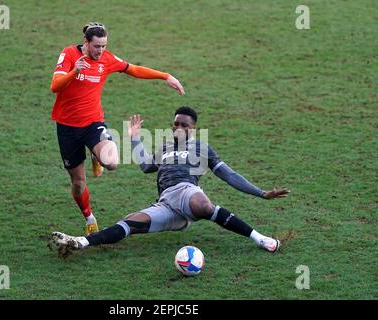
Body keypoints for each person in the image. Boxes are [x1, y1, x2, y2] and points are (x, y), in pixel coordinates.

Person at [50, 107, 291, 257]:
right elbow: (146, 166)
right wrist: (134, 139)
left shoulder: (200, 148)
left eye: (184, 125)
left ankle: (260, 239)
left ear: (193, 129)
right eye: (175, 123)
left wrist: (261, 193)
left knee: (203, 206)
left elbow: (228, 175)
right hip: (167, 204)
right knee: (130, 222)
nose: (178, 127)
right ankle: (80, 242)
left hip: (187, 192)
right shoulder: (165, 147)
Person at [50, 22, 185, 236]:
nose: (101, 51)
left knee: (111, 162)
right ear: (86, 43)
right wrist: (74, 71)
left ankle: (97, 155)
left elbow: (133, 70)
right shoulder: (68, 55)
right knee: (77, 183)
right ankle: (89, 218)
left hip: (93, 123)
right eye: (97, 46)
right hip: (67, 127)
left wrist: (165, 76)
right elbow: (55, 86)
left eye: (104, 46)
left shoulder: (107, 59)